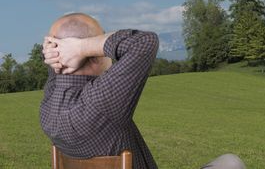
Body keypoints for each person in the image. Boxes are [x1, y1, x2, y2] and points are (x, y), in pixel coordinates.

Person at [40, 12, 246, 169]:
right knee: (231, 162)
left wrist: (57, 52)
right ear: (93, 56)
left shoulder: (49, 108)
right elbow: (144, 42)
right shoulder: (99, 102)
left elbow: (56, 72)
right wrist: (82, 47)